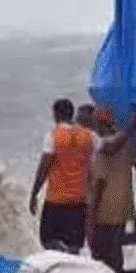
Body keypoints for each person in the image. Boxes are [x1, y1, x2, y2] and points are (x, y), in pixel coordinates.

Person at [29, 98, 96, 252]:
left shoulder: (53, 136)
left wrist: (34, 194)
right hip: (78, 201)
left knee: (48, 240)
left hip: (56, 200)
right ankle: (71, 268)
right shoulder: (89, 136)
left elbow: (44, 168)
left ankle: (58, 262)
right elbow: (106, 149)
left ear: (56, 114)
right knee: (74, 245)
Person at [87, 106, 136, 272]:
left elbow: (98, 188)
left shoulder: (103, 152)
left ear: (99, 125)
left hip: (104, 214)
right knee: (116, 255)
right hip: (121, 212)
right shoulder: (125, 148)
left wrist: (90, 220)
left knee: (101, 259)